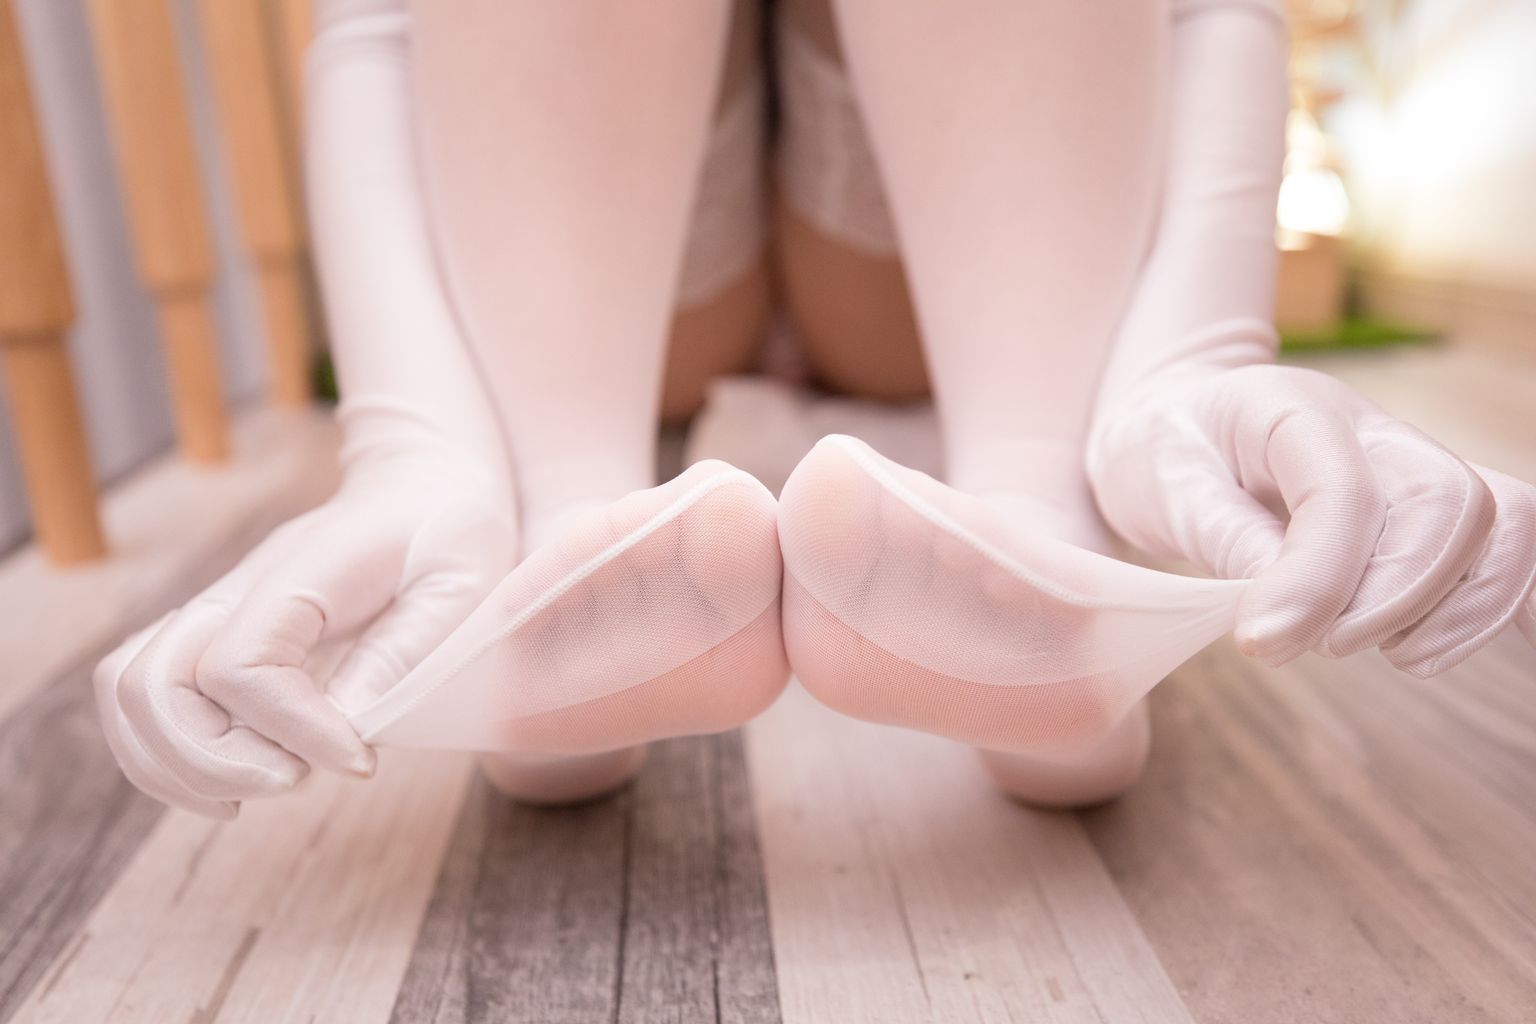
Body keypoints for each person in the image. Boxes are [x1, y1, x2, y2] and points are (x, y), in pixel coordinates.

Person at [95, 0, 1536, 819]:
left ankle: (1016, 508)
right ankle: (586, 517)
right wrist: (412, 440)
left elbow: (372, 24)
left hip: (900, 234)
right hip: (672, 227)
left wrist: (1194, 354)